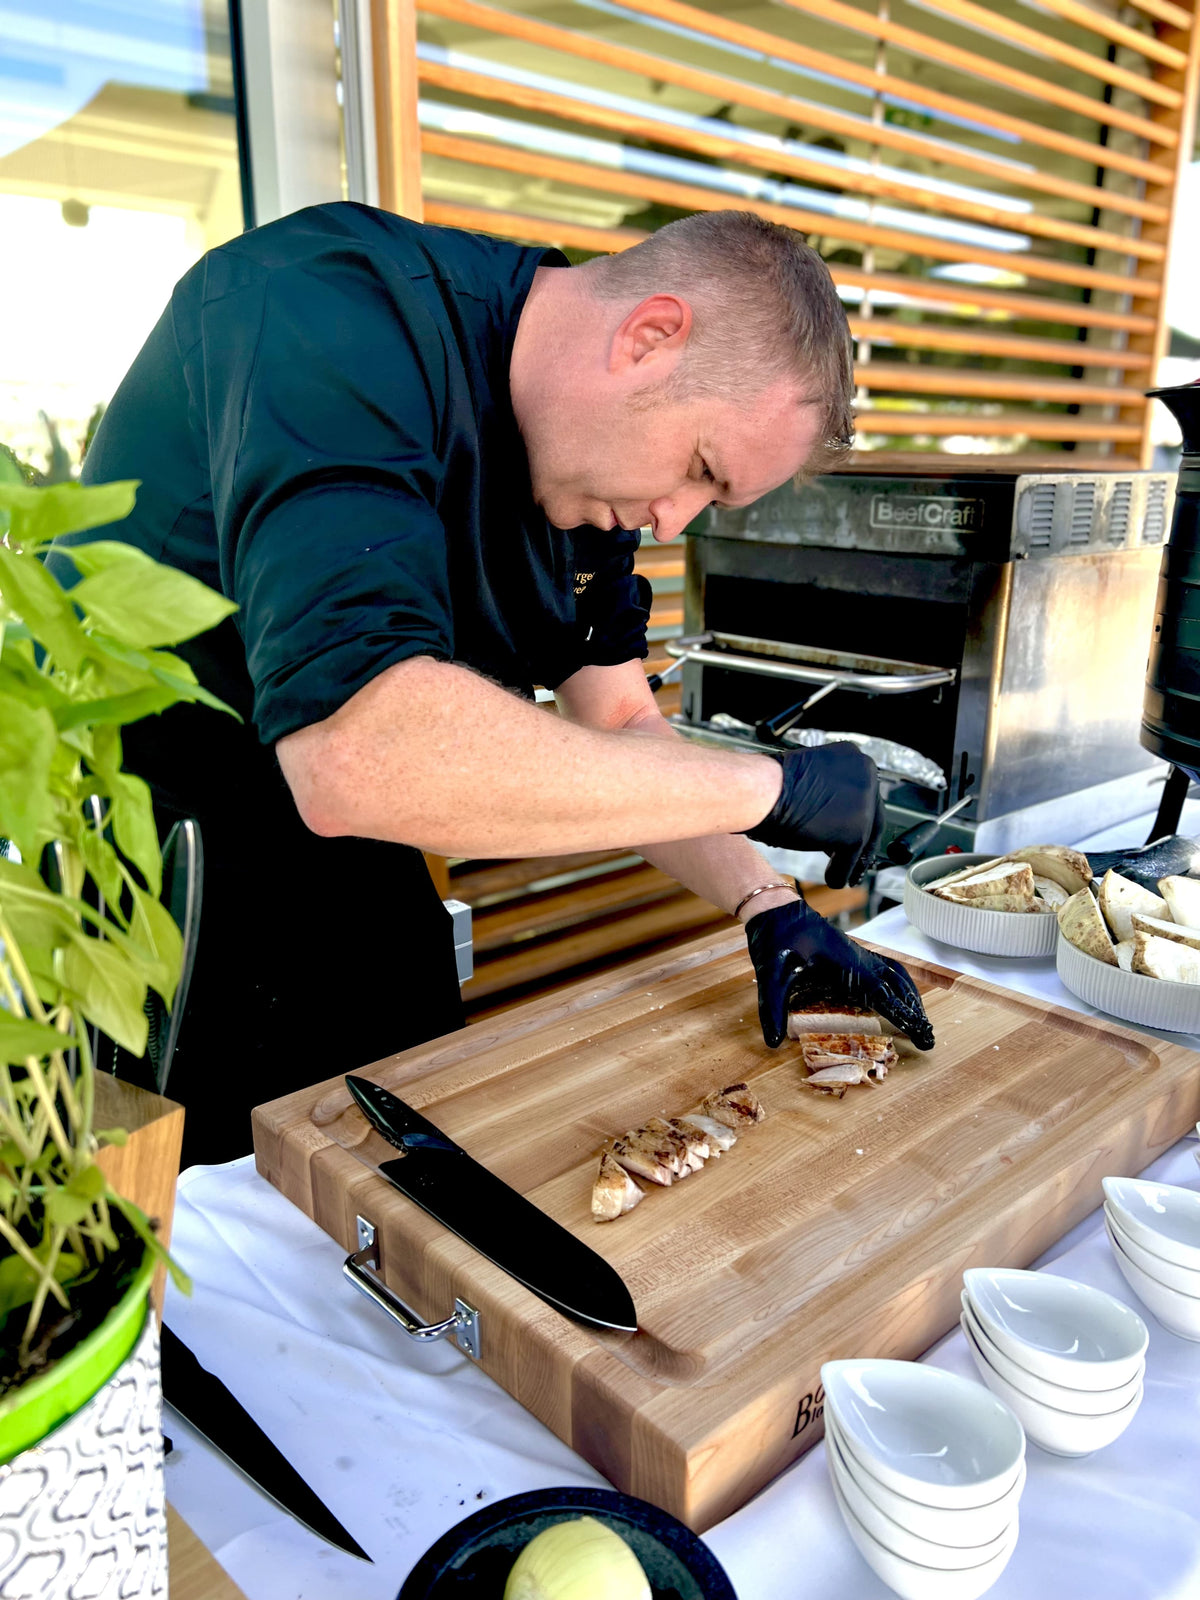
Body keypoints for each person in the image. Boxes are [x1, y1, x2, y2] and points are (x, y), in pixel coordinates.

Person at [61, 203, 933, 1163]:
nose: (675, 521)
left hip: (364, 870)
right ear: (648, 338)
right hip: (157, 897)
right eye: (697, 470)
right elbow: (357, 753)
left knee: (411, 1204)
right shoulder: (329, 311)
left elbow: (620, 716)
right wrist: (776, 788)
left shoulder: (585, 471)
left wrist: (767, 902)